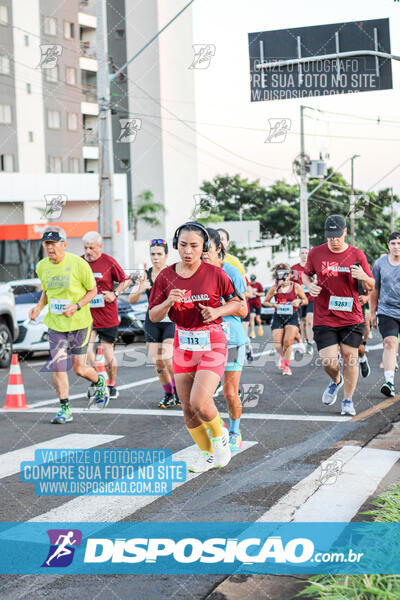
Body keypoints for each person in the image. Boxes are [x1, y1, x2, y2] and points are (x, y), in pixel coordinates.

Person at [148, 221, 245, 473]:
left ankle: (221, 436)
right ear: (175, 246)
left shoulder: (215, 274)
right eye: (183, 245)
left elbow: (239, 306)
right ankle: (207, 455)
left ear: (203, 247)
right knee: (188, 408)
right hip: (183, 341)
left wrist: (218, 311)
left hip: (212, 340)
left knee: (201, 402)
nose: (188, 251)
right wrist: (168, 301)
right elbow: (154, 316)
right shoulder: (166, 277)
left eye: (194, 245)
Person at [29, 226, 109, 423]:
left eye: (54, 244)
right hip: (56, 324)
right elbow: (47, 292)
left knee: (79, 369)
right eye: (47, 244)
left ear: (63, 244)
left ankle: (99, 381)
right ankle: (65, 409)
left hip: (79, 323)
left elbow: (92, 291)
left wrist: (77, 306)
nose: (50, 248)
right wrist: (39, 308)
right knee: (58, 366)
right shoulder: (42, 266)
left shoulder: (79, 264)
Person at [302, 215, 374, 416]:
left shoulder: (357, 254)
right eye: (329, 236)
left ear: (345, 232)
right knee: (328, 362)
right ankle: (336, 381)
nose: (333, 240)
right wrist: (309, 286)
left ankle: (348, 401)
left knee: (350, 358)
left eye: (337, 236)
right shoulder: (316, 253)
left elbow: (371, 284)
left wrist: (364, 277)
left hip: (351, 317)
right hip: (325, 316)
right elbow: (305, 274)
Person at [203, 228, 249, 451]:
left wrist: (219, 310)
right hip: (204, 341)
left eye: (206, 248)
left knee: (230, 392)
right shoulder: (194, 274)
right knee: (201, 394)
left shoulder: (231, 272)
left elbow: (244, 311)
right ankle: (217, 429)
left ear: (218, 248)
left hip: (231, 340)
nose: (201, 253)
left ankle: (234, 431)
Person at [129, 238, 179, 408]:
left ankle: (179, 391)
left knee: (167, 357)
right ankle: (168, 393)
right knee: (158, 362)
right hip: (152, 321)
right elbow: (131, 299)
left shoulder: (173, 273)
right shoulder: (145, 275)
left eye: (159, 254)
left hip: (171, 321)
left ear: (166, 255)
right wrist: (141, 289)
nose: (155, 258)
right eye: (152, 254)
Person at [82, 231, 131, 400]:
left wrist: (115, 293)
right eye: (86, 248)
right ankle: (97, 380)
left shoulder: (108, 262)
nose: (88, 251)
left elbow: (126, 281)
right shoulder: (80, 262)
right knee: (87, 350)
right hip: (87, 315)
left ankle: (111, 384)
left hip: (107, 314)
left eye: (92, 248)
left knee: (108, 352)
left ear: (100, 247)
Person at [370, 232, 400, 397]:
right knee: (389, 342)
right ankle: (389, 382)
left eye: (399, 243)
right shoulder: (380, 264)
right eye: (393, 243)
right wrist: (373, 312)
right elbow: (375, 289)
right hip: (387, 311)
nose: (396, 246)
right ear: (388, 245)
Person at [263, 263, 307, 375]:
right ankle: (283, 356)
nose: (283, 279)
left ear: (289, 275)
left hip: (292, 315)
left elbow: (305, 300)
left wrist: (299, 301)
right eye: (280, 276)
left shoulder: (296, 287)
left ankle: (286, 366)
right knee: (277, 345)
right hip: (278, 316)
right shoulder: (274, 288)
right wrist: (274, 305)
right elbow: (265, 302)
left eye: (285, 276)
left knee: (287, 341)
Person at [291, 247, 314, 353]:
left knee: (310, 320)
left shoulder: (313, 266)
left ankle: (310, 343)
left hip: (311, 297)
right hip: (299, 298)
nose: (304, 255)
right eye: (302, 253)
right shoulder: (294, 269)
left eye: (306, 253)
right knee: (302, 322)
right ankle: (303, 343)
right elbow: (291, 283)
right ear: (299, 255)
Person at [358, 280, 371, 378]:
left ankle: (362, 358)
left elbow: (373, 288)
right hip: (337, 311)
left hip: (360, 307)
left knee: (367, 324)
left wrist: (367, 297)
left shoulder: (359, 269)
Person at [248, 274, 264, 338]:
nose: (252, 282)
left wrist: (256, 293)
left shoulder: (258, 284)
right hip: (250, 303)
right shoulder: (248, 285)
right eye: (252, 280)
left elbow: (263, 293)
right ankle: (252, 332)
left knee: (257, 319)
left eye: (253, 280)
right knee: (251, 317)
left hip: (257, 303)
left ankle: (260, 326)